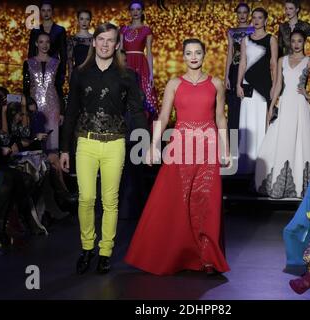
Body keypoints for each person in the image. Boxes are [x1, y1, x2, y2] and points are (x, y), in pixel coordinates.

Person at [125, 38, 231, 276]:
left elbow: (221, 118)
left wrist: (226, 149)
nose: (193, 57)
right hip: (180, 145)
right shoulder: (174, 83)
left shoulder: (216, 83)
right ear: (183, 56)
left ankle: (208, 259)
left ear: (204, 55)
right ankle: (176, 255)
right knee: (177, 200)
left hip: (208, 145)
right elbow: (163, 117)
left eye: (198, 53)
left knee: (207, 201)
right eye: (189, 53)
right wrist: (153, 145)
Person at [60, 23, 148, 275]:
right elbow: (72, 111)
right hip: (85, 143)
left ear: (117, 44)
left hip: (115, 144)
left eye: (110, 40)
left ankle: (105, 251)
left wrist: (146, 143)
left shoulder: (127, 75)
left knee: (110, 201)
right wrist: (64, 149)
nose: (105, 44)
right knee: (86, 198)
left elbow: (136, 110)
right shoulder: (79, 73)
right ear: (94, 42)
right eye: (101, 39)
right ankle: (87, 248)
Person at [255, 30, 310, 199]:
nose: (296, 44)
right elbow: (278, 86)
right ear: (290, 43)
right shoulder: (282, 61)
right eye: (294, 41)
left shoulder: (308, 61)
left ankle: (299, 185)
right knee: (281, 140)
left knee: (300, 142)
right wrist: (271, 107)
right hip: (285, 104)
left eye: (300, 41)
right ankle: (278, 184)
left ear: (304, 43)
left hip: (300, 106)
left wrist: (309, 95)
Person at [236, 7, 278, 174]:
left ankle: (261, 164)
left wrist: (275, 86)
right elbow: (243, 63)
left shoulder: (271, 39)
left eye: (260, 17)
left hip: (263, 85)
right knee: (247, 121)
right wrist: (238, 83)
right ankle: (246, 162)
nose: (256, 20)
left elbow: (274, 65)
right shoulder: (245, 40)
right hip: (247, 85)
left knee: (261, 122)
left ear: (265, 20)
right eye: (254, 17)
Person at [120, 0, 159, 123]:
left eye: (138, 9)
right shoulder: (123, 29)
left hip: (141, 65)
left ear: (142, 12)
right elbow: (120, 50)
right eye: (132, 9)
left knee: (142, 95)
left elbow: (149, 52)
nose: (135, 12)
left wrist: (151, 74)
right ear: (129, 12)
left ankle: (143, 127)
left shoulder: (146, 30)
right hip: (126, 64)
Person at [224, 3, 254, 139]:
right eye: (239, 12)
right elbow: (230, 53)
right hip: (235, 71)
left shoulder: (254, 30)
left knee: (248, 107)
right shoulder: (231, 31)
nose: (242, 15)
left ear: (248, 14)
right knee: (234, 108)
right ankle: (234, 144)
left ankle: (248, 143)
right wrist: (226, 76)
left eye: (244, 12)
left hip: (250, 71)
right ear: (236, 14)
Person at [28, 0, 67, 87]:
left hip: (54, 69)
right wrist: (32, 71)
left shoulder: (60, 30)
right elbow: (31, 52)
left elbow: (63, 54)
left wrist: (62, 75)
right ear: (40, 12)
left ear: (52, 11)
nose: (46, 13)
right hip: (38, 69)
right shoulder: (35, 31)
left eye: (48, 10)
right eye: (43, 10)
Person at [67, 9, 93, 80]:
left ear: (90, 21)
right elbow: (70, 61)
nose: (84, 22)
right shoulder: (72, 39)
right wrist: (70, 78)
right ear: (78, 20)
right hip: (78, 74)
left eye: (87, 19)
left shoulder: (95, 39)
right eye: (81, 19)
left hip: (93, 75)